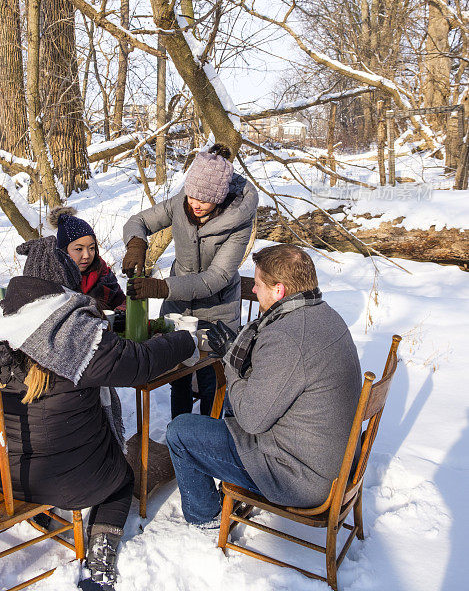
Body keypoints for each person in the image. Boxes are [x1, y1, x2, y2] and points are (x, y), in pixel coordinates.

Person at [0, 240, 196, 591]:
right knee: (120, 480)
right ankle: (99, 561)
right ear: (64, 285)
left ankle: (39, 511)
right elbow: (140, 364)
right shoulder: (71, 334)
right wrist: (185, 340)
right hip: (63, 479)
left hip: (0, 471)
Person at [165, 244, 362, 526]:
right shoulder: (325, 314)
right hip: (329, 460)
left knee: (180, 431)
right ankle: (231, 482)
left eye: (257, 285)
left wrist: (230, 363)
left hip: (299, 477)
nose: (254, 291)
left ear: (279, 289)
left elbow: (252, 421)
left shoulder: (287, 337)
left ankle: (205, 516)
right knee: (234, 400)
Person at [121, 144, 258, 418]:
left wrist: (161, 288)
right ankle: (177, 434)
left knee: (210, 381)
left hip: (216, 311)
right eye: (192, 195)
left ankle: (206, 439)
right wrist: (136, 244)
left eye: (203, 200)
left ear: (219, 198)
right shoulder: (181, 203)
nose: (194, 203)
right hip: (177, 309)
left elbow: (215, 278)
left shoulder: (239, 220)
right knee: (178, 376)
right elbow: (139, 220)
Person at [18, 207, 125, 326]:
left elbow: (121, 301)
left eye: (91, 248)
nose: (87, 255)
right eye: (79, 249)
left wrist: (120, 313)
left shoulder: (102, 272)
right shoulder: (51, 277)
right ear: (64, 250)